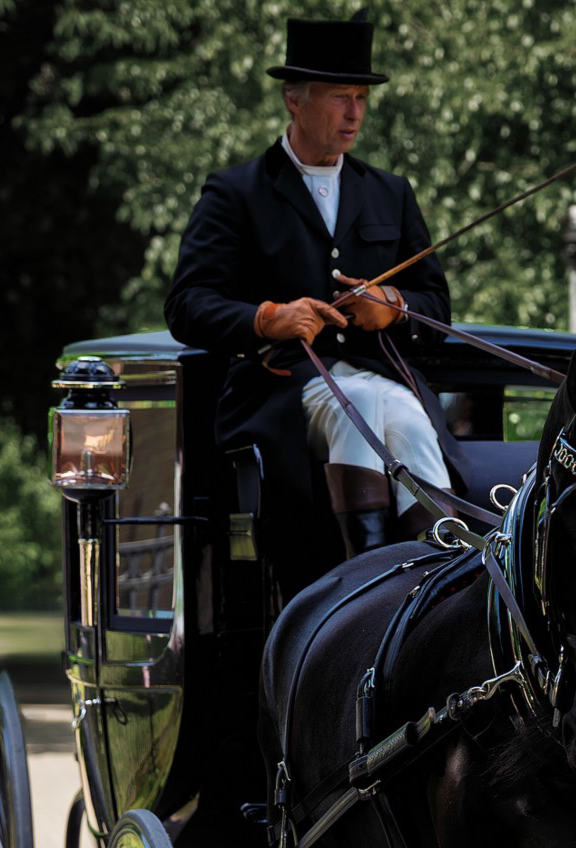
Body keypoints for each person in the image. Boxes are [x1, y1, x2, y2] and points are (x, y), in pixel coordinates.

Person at [164, 14, 454, 582]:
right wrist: (268, 319)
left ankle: (440, 571)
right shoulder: (235, 193)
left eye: (361, 98)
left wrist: (390, 304)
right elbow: (187, 304)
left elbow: (436, 308)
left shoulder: (391, 194)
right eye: (340, 98)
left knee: (405, 412)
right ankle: (366, 575)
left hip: (380, 379)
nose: (355, 113)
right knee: (367, 406)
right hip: (278, 392)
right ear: (294, 100)